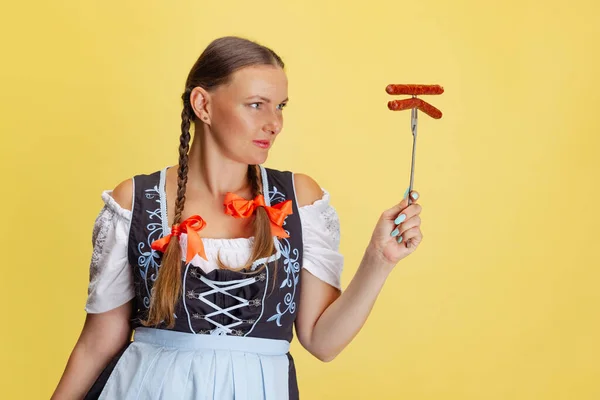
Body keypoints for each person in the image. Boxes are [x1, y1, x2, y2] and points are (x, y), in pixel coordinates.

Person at [51, 35, 423, 400]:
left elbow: (323, 342)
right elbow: (98, 341)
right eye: (257, 104)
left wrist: (379, 260)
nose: (274, 123)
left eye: (281, 106)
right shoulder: (136, 200)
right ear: (203, 105)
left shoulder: (299, 199)